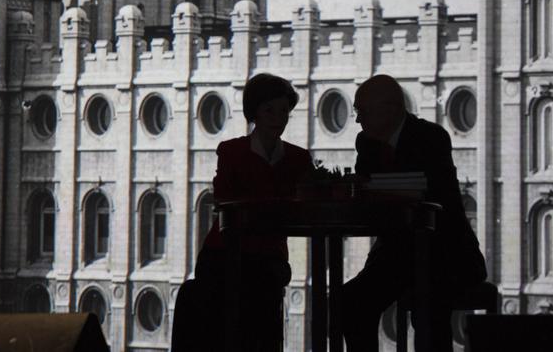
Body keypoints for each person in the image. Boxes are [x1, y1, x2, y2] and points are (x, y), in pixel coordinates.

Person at [342, 74, 487, 352]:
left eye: (363, 111)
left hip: (444, 252)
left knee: (429, 305)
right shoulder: (367, 143)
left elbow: (437, 198)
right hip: (395, 255)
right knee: (350, 301)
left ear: (391, 109)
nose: (358, 120)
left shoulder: (432, 137)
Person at [170, 73, 312, 352]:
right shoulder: (231, 151)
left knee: (257, 302)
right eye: (269, 110)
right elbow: (223, 197)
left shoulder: (298, 158)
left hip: (267, 257)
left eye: (284, 111)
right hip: (224, 254)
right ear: (254, 113)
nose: (278, 118)